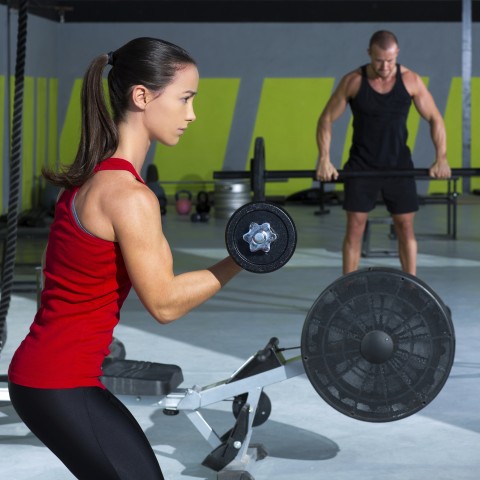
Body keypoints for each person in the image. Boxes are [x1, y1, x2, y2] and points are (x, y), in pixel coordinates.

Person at [8, 37, 242, 480]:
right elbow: (165, 303)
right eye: (185, 99)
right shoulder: (129, 197)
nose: (192, 114)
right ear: (142, 96)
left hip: (50, 377)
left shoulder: (87, 181)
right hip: (60, 382)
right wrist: (239, 260)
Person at [315, 30, 451, 276]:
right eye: (379, 60)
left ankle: (412, 287)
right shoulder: (353, 81)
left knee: (405, 227)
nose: (385, 66)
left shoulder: (410, 80)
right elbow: (325, 119)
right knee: (355, 228)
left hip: (399, 166)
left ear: (397, 54)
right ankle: (348, 288)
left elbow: (435, 118)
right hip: (361, 166)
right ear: (369, 54)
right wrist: (324, 159)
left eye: (390, 60)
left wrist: (441, 157)